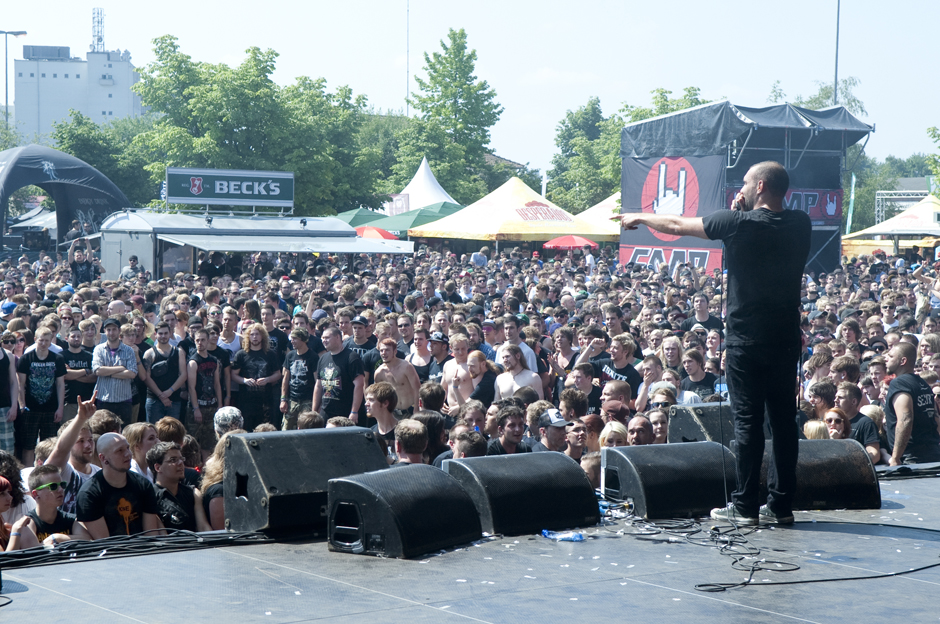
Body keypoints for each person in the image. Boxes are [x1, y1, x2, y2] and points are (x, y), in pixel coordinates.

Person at [617, 160, 811, 526]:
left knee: (748, 423)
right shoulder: (801, 223)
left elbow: (677, 225)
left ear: (761, 186)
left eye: (747, 182)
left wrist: (639, 217)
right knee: (784, 423)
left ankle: (744, 506)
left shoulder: (735, 223)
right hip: (784, 338)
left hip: (746, 341)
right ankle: (782, 505)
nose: (742, 186)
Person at [75, 432, 164, 538]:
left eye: (127, 448)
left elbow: (151, 534)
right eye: (120, 451)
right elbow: (104, 543)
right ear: (103, 458)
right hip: (112, 553)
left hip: (144, 550)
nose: (128, 454)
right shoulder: (89, 494)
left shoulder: (143, 485)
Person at [16, 326, 66, 467]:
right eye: (41, 340)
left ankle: (48, 472)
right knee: (28, 445)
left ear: (51, 341)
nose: (43, 343)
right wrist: (22, 405)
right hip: (30, 408)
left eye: (46, 340)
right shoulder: (26, 359)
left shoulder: (57, 358)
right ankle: (27, 473)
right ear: (35, 339)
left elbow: (60, 384)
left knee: (49, 446)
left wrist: (60, 408)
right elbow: (21, 385)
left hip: (51, 408)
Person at [884, 342, 940, 464]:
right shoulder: (923, 383)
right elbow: (936, 418)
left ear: (902, 361)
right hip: (933, 454)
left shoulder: (899, 383)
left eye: (891, 356)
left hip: (911, 458)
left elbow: (905, 419)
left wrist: (895, 457)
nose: (886, 358)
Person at [147, 441, 211, 532]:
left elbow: (203, 527)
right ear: (158, 468)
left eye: (181, 459)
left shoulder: (193, 493)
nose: (181, 463)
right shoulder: (150, 497)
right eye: (173, 460)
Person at [25, 464, 91, 545]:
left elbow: (87, 539)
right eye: (53, 486)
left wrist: (57, 538)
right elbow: (30, 550)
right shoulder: (28, 522)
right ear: (35, 494)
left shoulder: (70, 520)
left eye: (62, 485)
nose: (61, 490)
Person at [232, 323, 281, 430]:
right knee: (246, 430)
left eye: (257, 334)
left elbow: (278, 374)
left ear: (262, 336)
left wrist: (268, 379)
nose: (254, 337)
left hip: (265, 400)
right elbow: (233, 375)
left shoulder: (270, 354)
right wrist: (244, 380)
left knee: (264, 430)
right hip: (246, 401)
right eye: (252, 334)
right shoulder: (241, 354)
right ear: (248, 337)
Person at [313, 326, 365, 423]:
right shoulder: (323, 358)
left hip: (345, 412)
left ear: (337, 337)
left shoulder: (352, 357)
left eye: (327, 338)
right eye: (323, 338)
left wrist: (354, 411)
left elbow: (359, 385)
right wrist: (314, 411)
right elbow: (318, 386)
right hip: (326, 411)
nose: (324, 340)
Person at [92, 318, 138, 422]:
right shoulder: (99, 349)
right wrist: (121, 368)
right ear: (104, 330)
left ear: (119, 331)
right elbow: (98, 371)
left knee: (123, 433)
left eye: (114, 329)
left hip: (124, 400)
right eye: (108, 329)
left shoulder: (128, 350)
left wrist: (108, 373)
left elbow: (132, 373)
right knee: (102, 433)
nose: (111, 332)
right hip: (104, 400)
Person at [143, 322, 187, 423]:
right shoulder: (149, 353)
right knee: (153, 432)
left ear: (170, 333)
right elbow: (146, 377)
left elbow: (183, 374)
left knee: (172, 433)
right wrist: (161, 395)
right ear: (155, 334)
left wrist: (170, 391)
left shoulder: (178, 352)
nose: (163, 336)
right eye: (160, 333)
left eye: (166, 333)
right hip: (154, 399)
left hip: (174, 399)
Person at [280, 328, 319, 430]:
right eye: (291, 338)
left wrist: (317, 403)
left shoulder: (313, 357)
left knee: (305, 427)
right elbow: (285, 379)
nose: (292, 341)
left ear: (303, 339)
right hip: (292, 399)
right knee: (286, 428)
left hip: (308, 400)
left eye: (295, 338)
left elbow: (317, 382)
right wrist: (283, 399)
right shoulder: (290, 355)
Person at [373, 338, 420, 415]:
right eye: (381, 350)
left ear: (395, 351)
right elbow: (379, 396)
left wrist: (416, 409)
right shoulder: (379, 373)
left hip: (410, 411)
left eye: (387, 350)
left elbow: (417, 389)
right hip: (393, 413)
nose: (384, 353)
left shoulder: (406, 366)